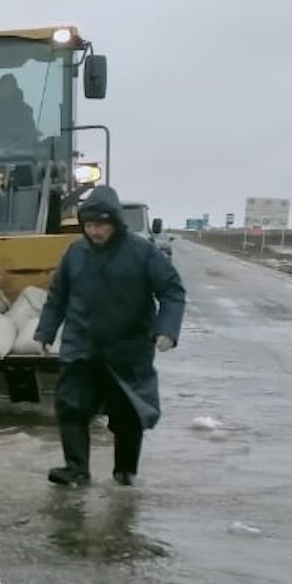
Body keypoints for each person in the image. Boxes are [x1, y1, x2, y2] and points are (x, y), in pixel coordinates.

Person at [33, 184, 186, 486]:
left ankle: (125, 471)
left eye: (100, 225)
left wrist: (166, 330)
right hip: (81, 346)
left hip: (127, 349)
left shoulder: (142, 252)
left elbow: (172, 292)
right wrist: (45, 332)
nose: (94, 232)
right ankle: (76, 469)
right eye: (88, 225)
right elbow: (58, 296)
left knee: (127, 415)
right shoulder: (75, 253)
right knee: (71, 406)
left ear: (115, 222)